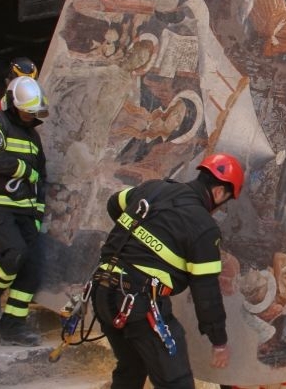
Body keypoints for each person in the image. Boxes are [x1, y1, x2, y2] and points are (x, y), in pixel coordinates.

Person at [92, 153, 245, 388]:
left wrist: (137, 236)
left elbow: (114, 203)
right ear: (218, 193)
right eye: (226, 200)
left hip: (102, 291)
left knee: (131, 369)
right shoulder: (204, 228)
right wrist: (219, 342)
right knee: (177, 382)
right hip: (139, 305)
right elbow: (207, 294)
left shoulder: (152, 189)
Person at [0, 76, 50, 346]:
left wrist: (38, 216)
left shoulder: (33, 136)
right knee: (14, 252)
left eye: (34, 112)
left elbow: (41, 178)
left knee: (32, 267)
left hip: (25, 209)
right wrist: (24, 170)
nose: (31, 116)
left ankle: (13, 326)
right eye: (28, 111)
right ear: (15, 105)